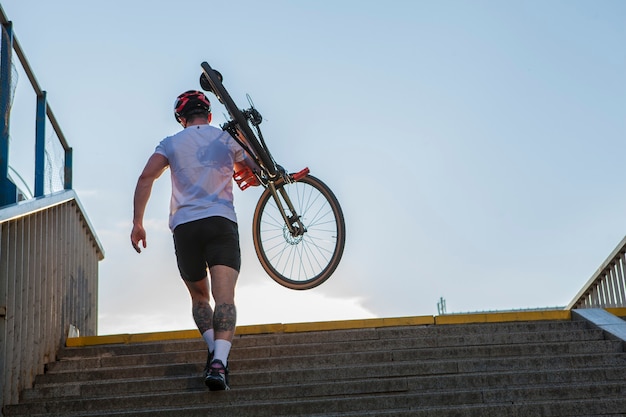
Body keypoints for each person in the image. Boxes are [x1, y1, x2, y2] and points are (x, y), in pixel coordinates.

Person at [130, 90, 257, 391]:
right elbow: (251, 167)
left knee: (200, 298)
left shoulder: (171, 143)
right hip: (221, 222)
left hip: (186, 227)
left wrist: (137, 222)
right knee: (225, 297)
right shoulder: (226, 139)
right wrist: (244, 139)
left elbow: (146, 178)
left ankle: (214, 349)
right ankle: (220, 362)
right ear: (209, 115)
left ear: (181, 118)